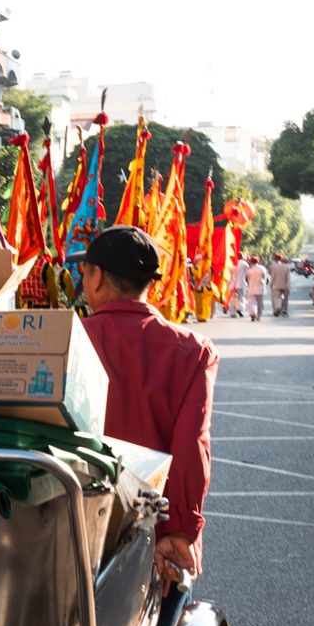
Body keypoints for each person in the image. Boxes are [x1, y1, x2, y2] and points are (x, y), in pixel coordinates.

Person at [79, 227, 216, 587]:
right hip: (152, 534)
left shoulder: (68, 340)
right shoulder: (194, 350)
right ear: (149, 283)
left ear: (96, 277)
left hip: (71, 524)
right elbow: (192, 446)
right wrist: (181, 531)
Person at [244, 254, 267, 321]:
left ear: (251, 262)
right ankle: (259, 316)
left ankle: (253, 313)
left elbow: (248, 279)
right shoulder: (262, 268)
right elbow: (265, 278)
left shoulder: (249, 270)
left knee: (252, 301)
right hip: (261, 288)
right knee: (260, 303)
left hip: (252, 287)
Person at [270, 252, 291, 316]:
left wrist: (271, 284)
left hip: (276, 285)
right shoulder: (287, 267)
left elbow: (273, 276)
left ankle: (277, 309)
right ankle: (284, 311)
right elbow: (288, 277)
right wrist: (288, 285)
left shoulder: (274, 267)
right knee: (285, 299)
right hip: (285, 285)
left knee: (276, 298)